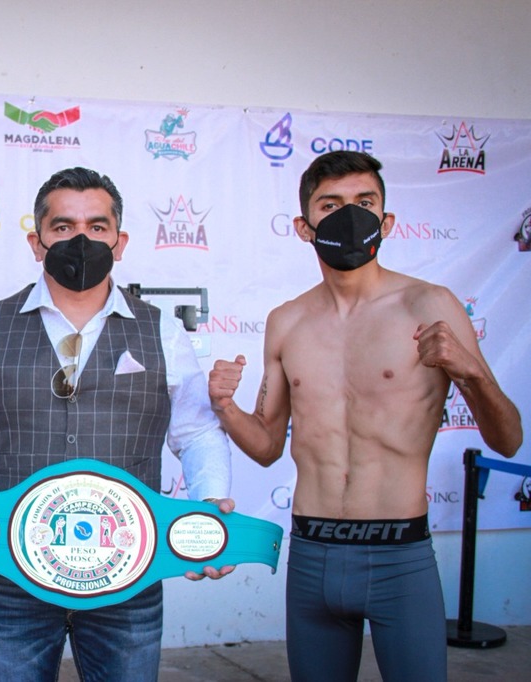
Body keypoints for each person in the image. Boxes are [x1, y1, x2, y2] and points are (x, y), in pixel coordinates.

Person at [208, 150, 523, 682]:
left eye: (364, 202)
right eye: (331, 205)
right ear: (304, 227)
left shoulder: (430, 305)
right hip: (312, 555)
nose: (349, 216)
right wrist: (224, 407)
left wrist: (470, 371)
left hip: (400, 559)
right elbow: (265, 447)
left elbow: (508, 440)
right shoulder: (287, 321)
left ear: (387, 221)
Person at [0, 167, 235, 682]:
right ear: (37, 242)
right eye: (63, 227)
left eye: (97, 226)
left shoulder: (162, 330)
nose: (81, 240)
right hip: (10, 577)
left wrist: (209, 510)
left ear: (119, 242)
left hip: (128, 576)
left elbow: (197, 433)